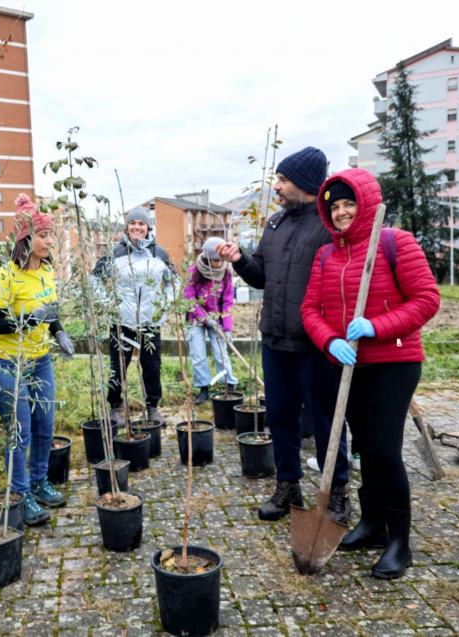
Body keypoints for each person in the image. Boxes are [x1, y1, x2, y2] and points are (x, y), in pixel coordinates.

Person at [301, 168, 440, 579]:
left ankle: (400, 541)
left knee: (383, 450)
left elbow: (427, 299)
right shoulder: (327, 254)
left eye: (349, 204)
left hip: (394, 364)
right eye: (335, 206)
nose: (342, 212)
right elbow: (310, 310)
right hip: (349, 365)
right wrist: (330, 341)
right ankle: (373, 524)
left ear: (365, 206)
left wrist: (376, 326)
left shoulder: (396, 243)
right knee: (363, 448)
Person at [216, 147, 352, 523]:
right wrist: (240, 260)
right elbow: (260, 275)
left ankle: (337, 491)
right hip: (275, 338)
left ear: (305, 184)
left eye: (282, 180)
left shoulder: (327, 226)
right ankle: (288, 486)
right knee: (280, 417)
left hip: (316, 343)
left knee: (326, 421)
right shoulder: (274, 224)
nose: (276, 186)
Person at [0, 194, 75, 526]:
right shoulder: (6, 276)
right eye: (44, 235)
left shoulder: (47, 273)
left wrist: (58, 330)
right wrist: (30, 319)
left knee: (45, 424)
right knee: (19, 429)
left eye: (50, 235)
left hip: (39, 360)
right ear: (26, 238)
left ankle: (39, 482)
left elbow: (50, 311)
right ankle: (20, 495)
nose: (49, 241)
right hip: (5, 362)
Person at [92, 206, 178, 425]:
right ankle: (115, 408)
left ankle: (152, 407)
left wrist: (164, 303)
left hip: (150, 321)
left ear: (148, 226)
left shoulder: (159, 253)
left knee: (152, 366)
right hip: (122, 321)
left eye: (141, 223)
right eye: (133, 223)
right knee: (118, 366)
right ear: (127, 226)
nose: (137, 227)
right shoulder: (116, 253)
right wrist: (107, 303)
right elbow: (94, 279)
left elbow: (174, 281)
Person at [183, 236, 238, 405]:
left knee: (221, 352)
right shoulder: (194, 271)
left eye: (221, 259)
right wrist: (204, 318)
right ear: (207, 258)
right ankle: (203, 388)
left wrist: (227, 327)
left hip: (217, 319)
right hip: (196, 318)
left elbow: (228, 301)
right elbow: (189, 298)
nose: (219, 263)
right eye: (215, 260)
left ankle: (229, 385)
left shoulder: (226, 273)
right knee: (198, 354)